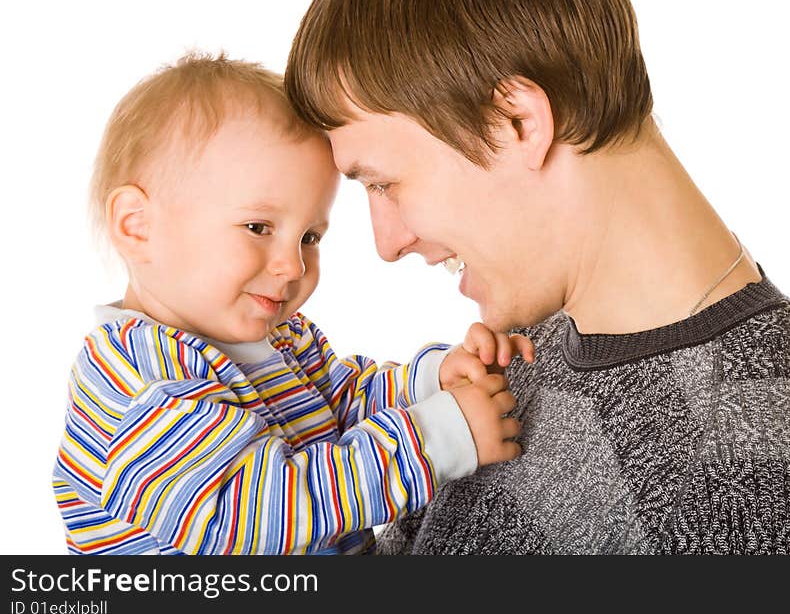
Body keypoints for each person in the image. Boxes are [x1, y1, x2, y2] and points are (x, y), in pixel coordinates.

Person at [284, 0, 790, 553]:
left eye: (384, 183)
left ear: (517, 123)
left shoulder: (766, 470)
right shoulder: (525, 347)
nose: (387, 242)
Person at [52, 52, 532, 555]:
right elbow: (248, 513)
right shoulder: (133, 380)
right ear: (137, 226)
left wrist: (433, 380)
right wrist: (434, 440)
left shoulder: (277, 337)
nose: (293, 266)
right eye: (258, 227)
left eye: (309, 236)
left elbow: (342, 404)